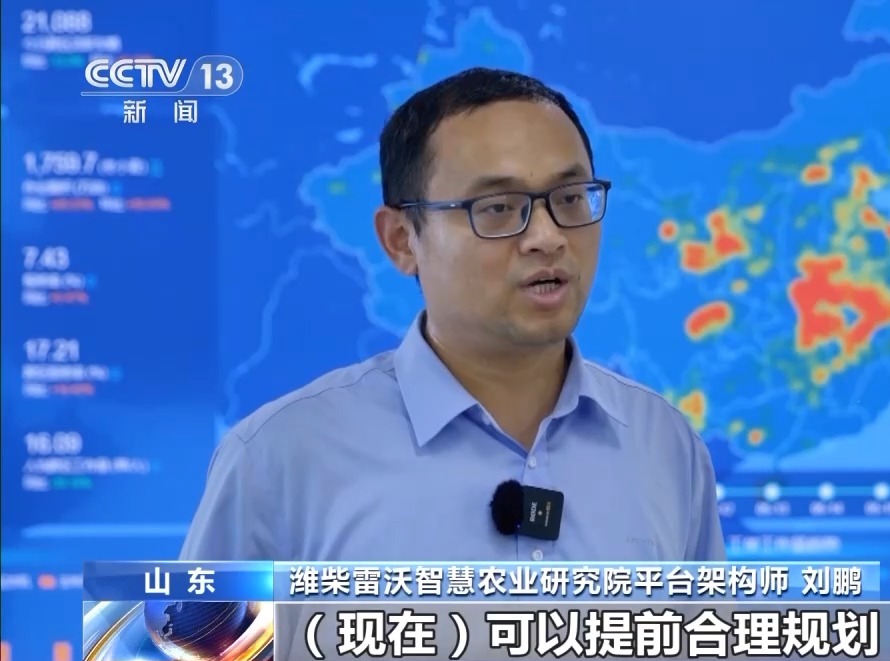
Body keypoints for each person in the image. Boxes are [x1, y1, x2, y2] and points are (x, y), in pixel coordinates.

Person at [180, 67, 725, 563]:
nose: (548, 237)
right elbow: (190, 631)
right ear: (401, 240)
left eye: (571, 199)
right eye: (498, 208)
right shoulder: (279, 461)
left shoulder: (665, 447)